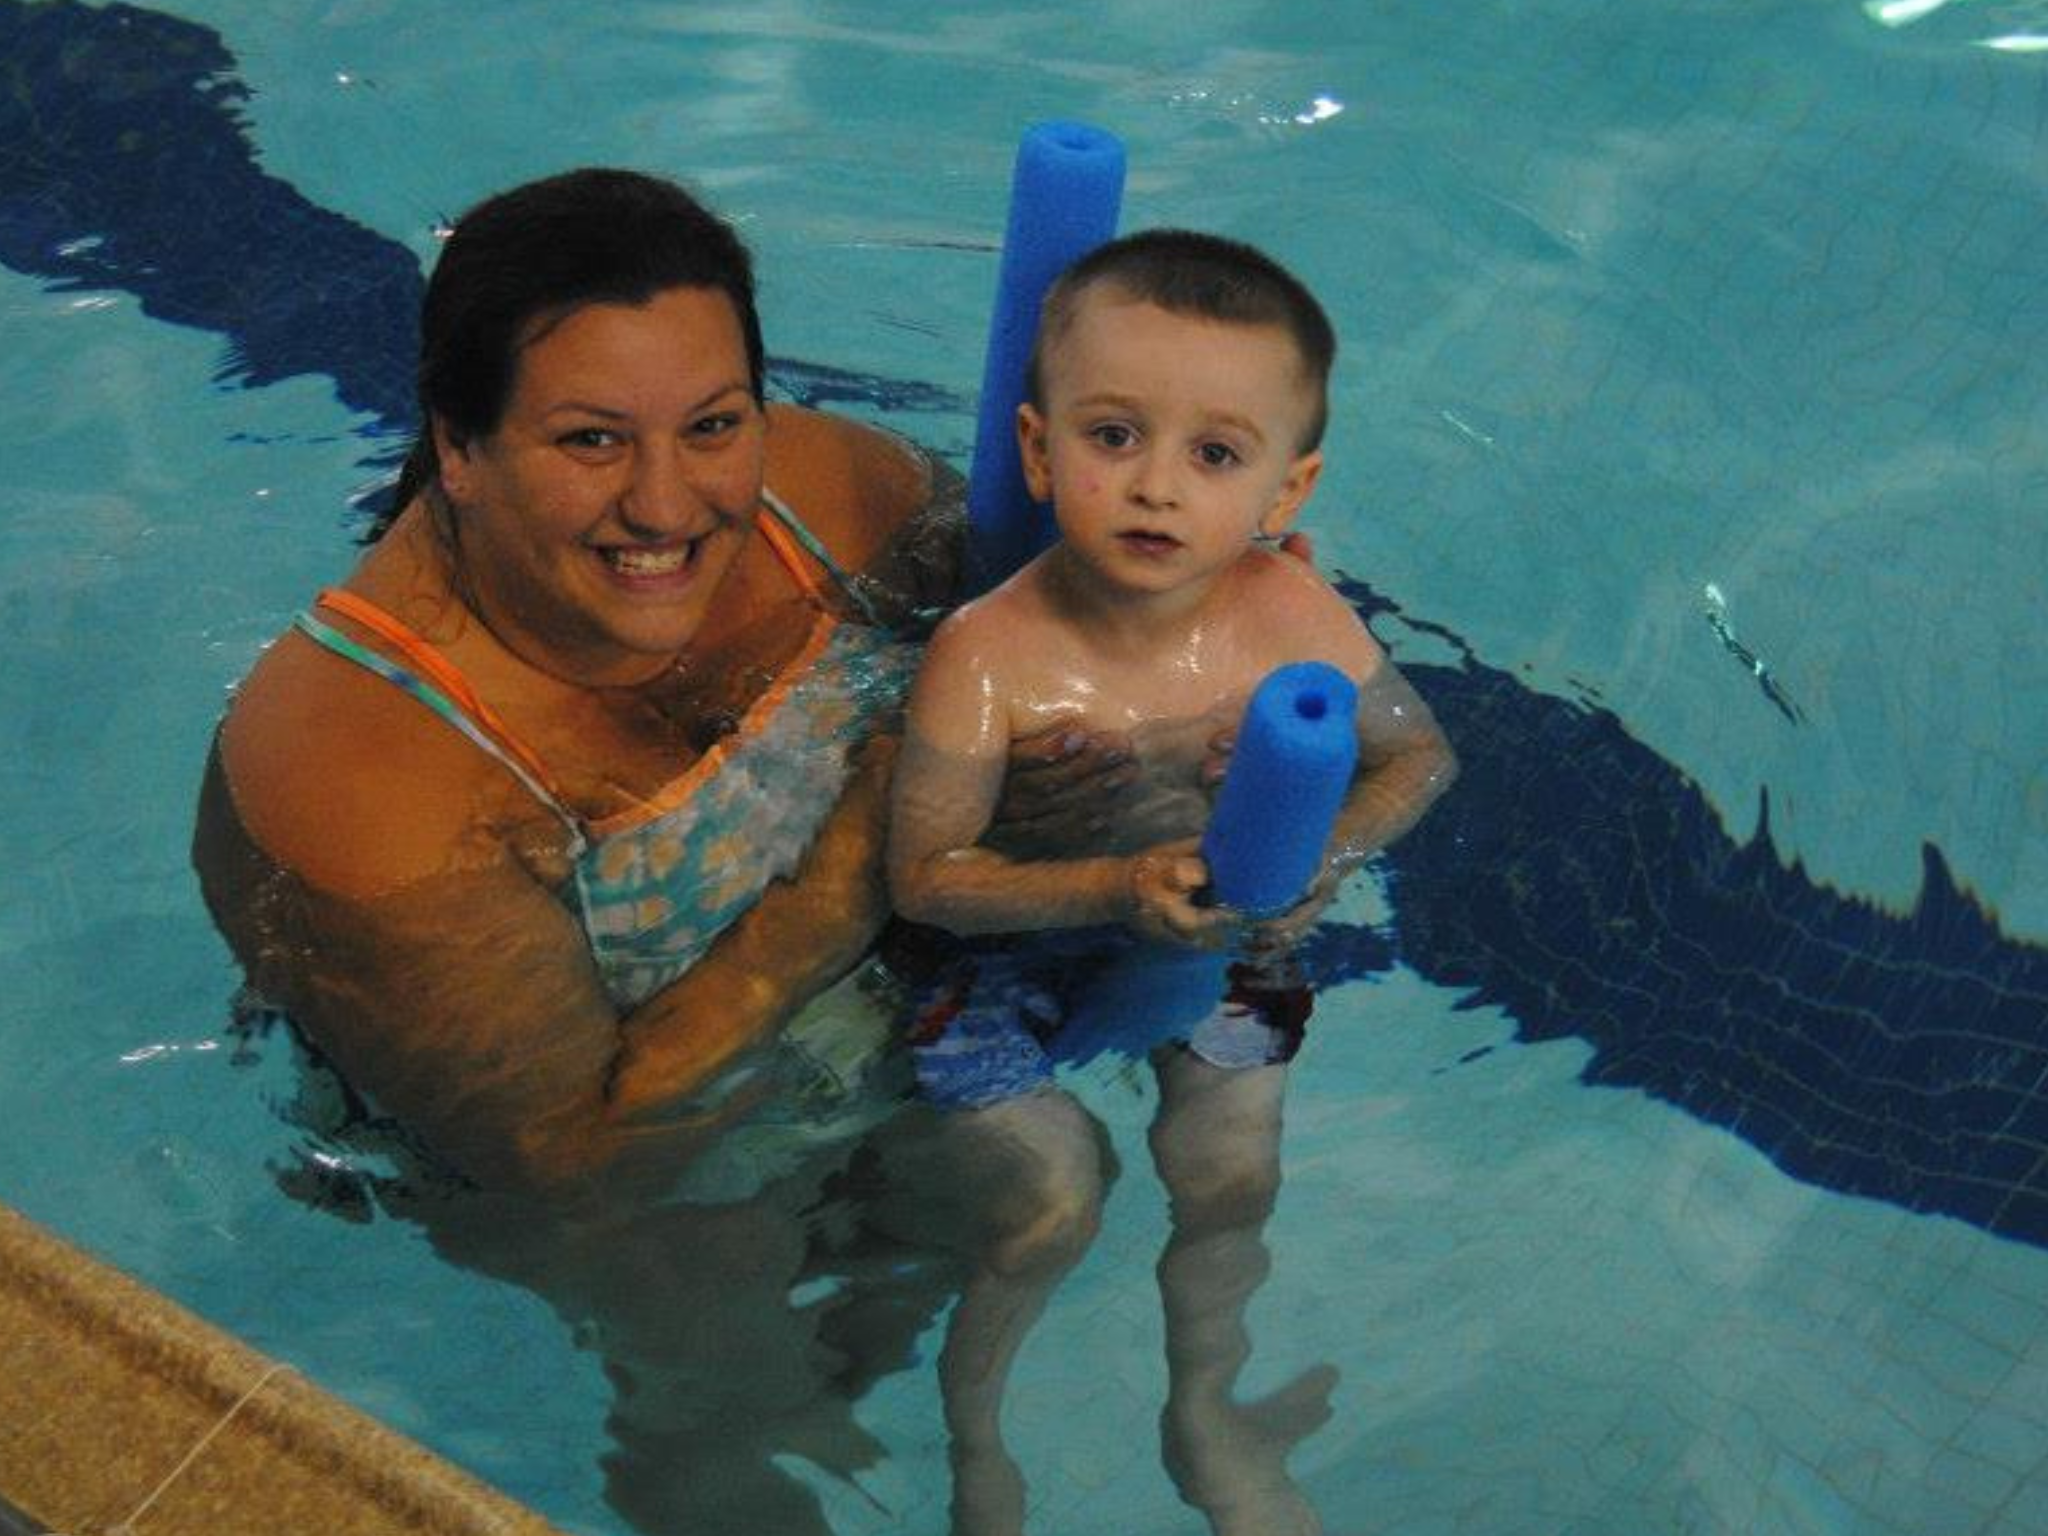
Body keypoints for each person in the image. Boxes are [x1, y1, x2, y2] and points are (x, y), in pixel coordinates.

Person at [879, 228, 1457, 1535]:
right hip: (1000, 968)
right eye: (1112, 435)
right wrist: (1105, 885)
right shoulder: (987, 657)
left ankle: (1206, 1405)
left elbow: (1418, 759)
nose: (1154, 488)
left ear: (1285, 491)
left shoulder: (1292, 621)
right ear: (1037, 451)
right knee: (1050, 1203)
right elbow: (923, 880)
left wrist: (1322, 855)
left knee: (1232, 1170)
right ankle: (980, 1433)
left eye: (1213, 455)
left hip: (1217, 937)